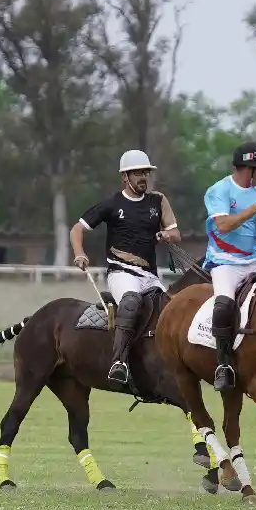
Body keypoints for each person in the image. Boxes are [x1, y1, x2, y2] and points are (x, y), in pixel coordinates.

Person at [70, 149, 179, 385]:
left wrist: (166, 235)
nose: (143, 177)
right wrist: (79, 253)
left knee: (170, 309)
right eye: (137, 173)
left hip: (150, 275)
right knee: (131, 302)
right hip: (122, 273)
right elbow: (77, 229)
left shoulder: (158, 201)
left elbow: (175, 232)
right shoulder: (112, 204)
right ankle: (118, 362)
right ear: (125, 177)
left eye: (145, 173)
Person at [203, 141, 256, 390]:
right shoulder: (218, 191)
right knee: (224, 304)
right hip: (224, 262)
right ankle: (223, 364)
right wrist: (253, 208)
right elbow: (223, 225)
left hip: (255, 259)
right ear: (249, 168)